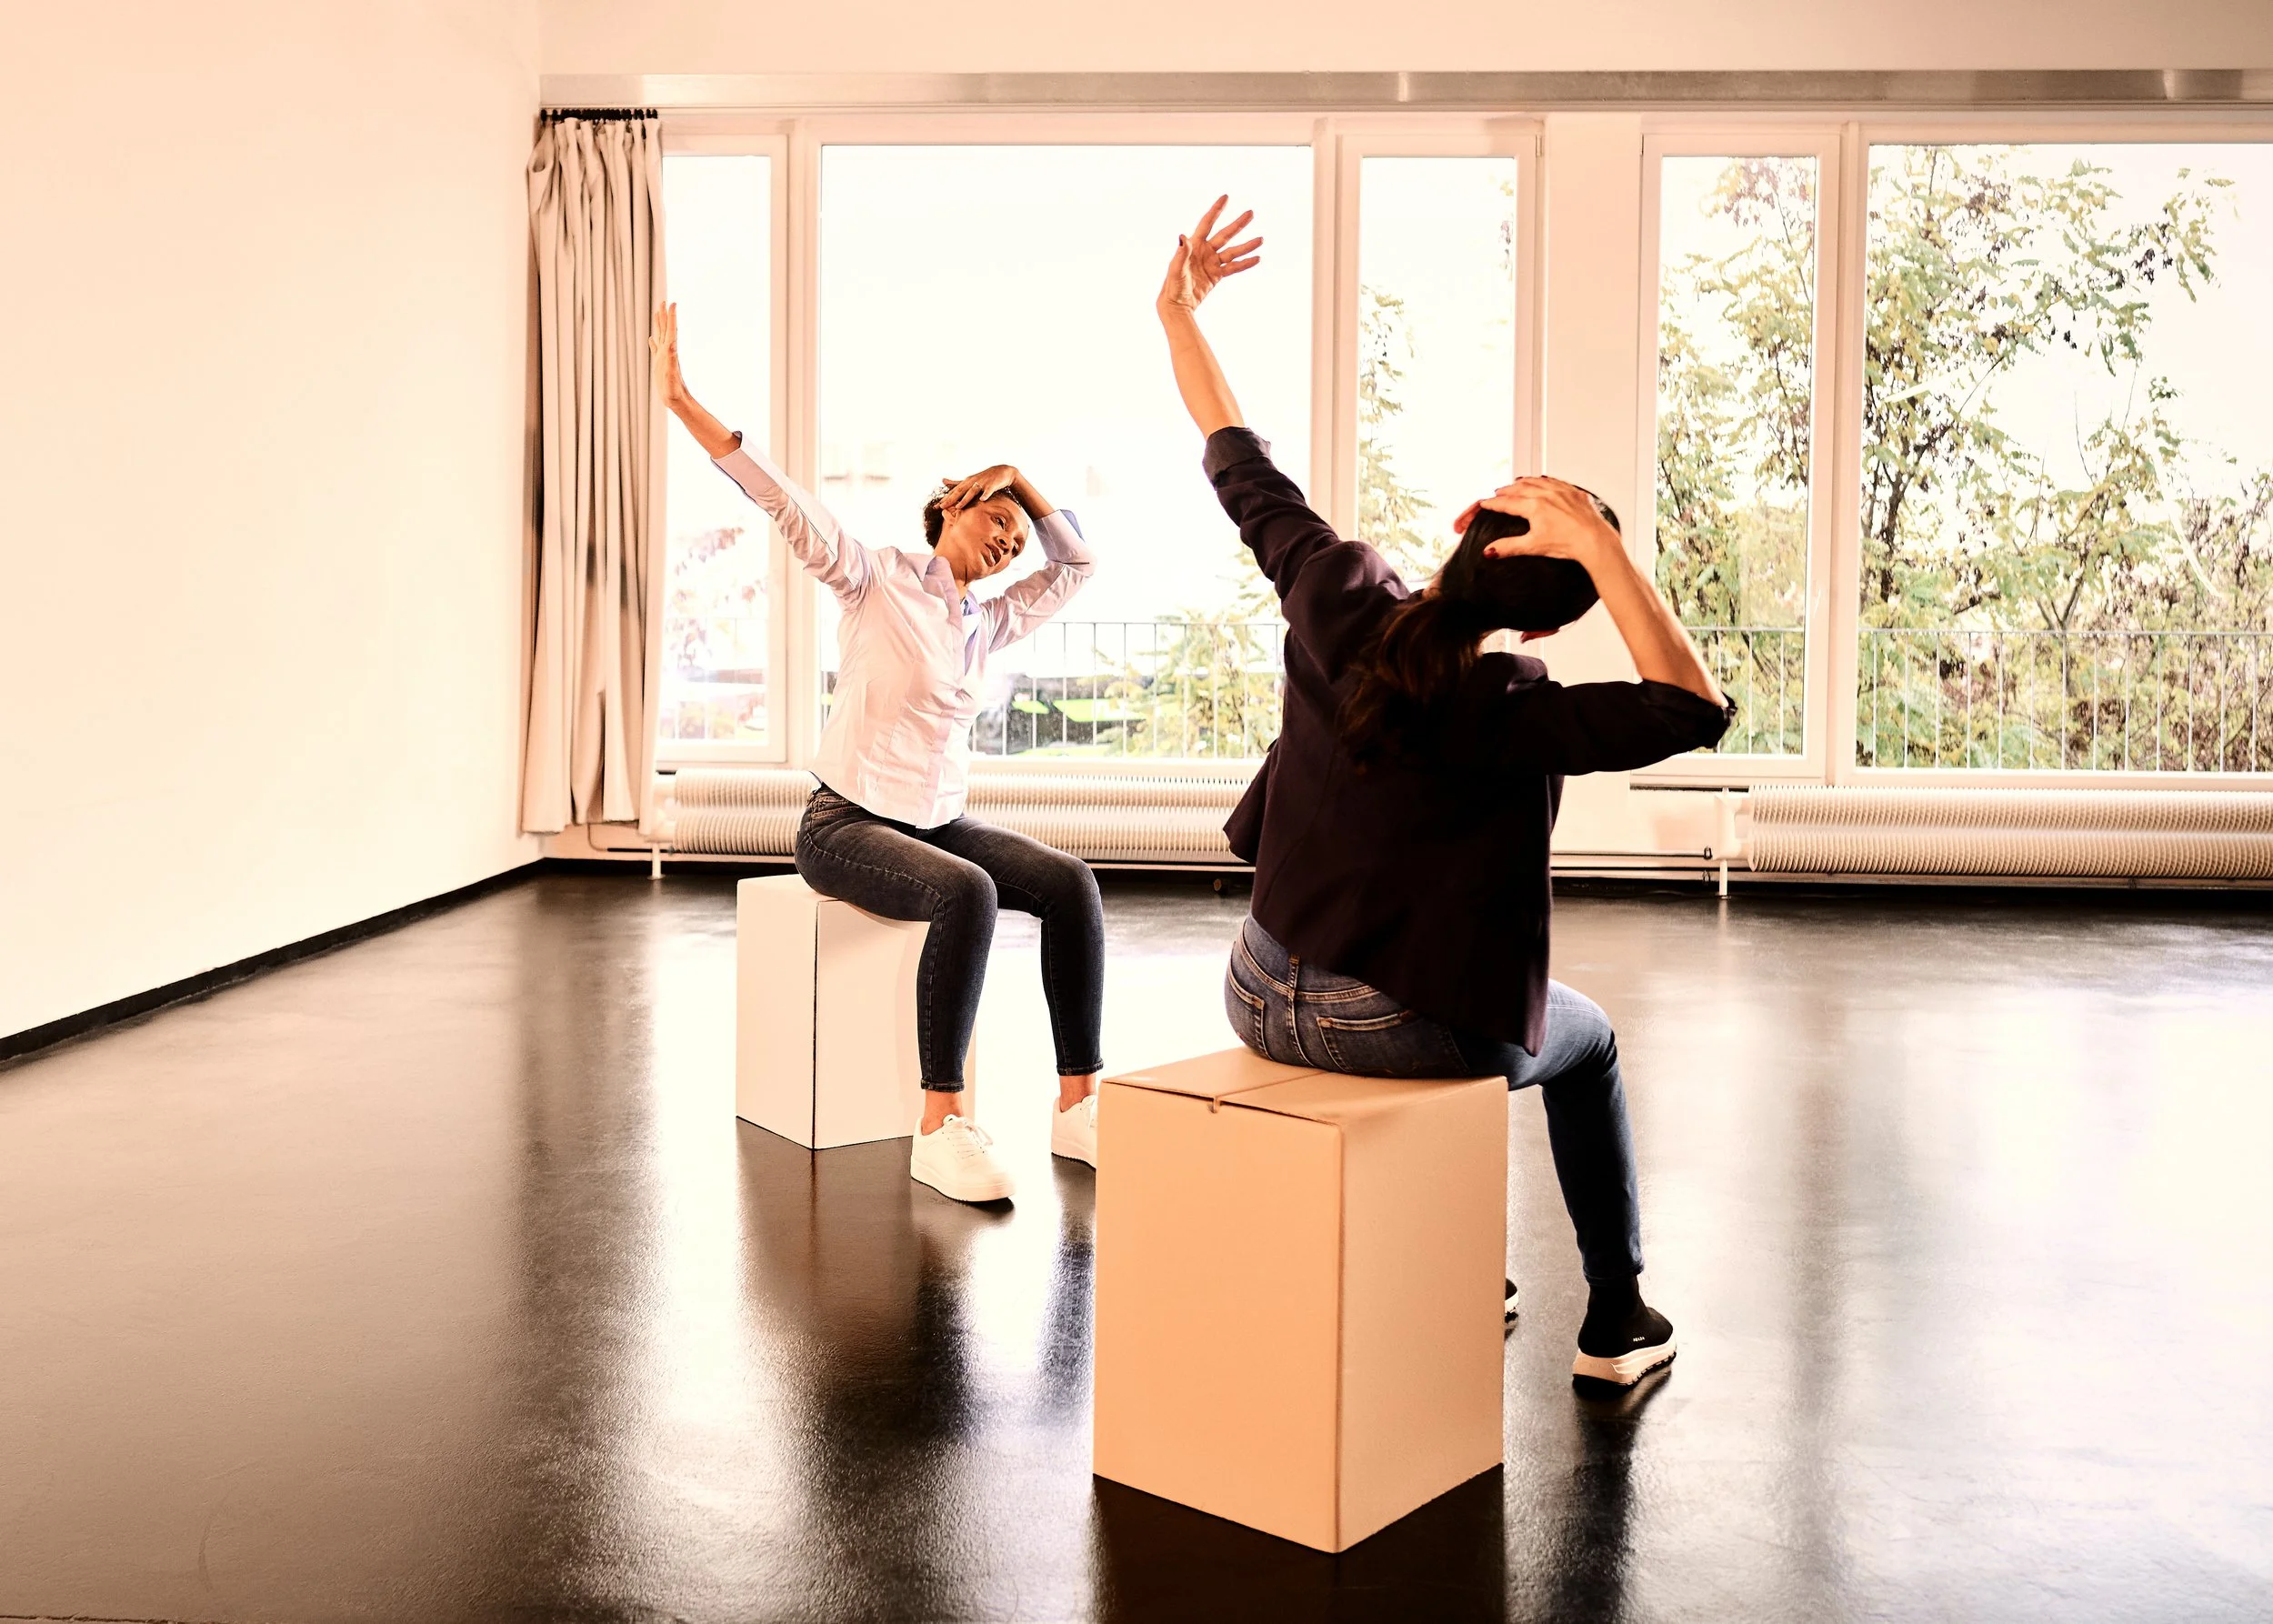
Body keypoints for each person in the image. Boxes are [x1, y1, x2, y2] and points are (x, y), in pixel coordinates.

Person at [1154, 199, 1734, 1386]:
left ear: (1465, 526)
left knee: (1477, 999)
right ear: (1548, 612)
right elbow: (1693, 705)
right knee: (1592, 1042)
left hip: (1257, 987)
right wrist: (1610, 554)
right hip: (1403, 1028)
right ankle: (1617, 1319)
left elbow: (1236, 453)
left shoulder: (1335, 590)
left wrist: (1177, 310)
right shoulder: (1517, 704)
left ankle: (1464, 1262)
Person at [650, 303, 1106, 1206]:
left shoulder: (989, 618)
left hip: (936, 821)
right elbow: (782, 497)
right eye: (997, 519)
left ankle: (1077, 1103)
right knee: (967, 892)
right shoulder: (875, 576)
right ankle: (940, 1125)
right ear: (950, 507)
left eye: (1017, 538)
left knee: (1071, 884)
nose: (1011, 542)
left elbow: (1079, 567)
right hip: (844, 823)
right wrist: (683, 402)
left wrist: (1025, 479)